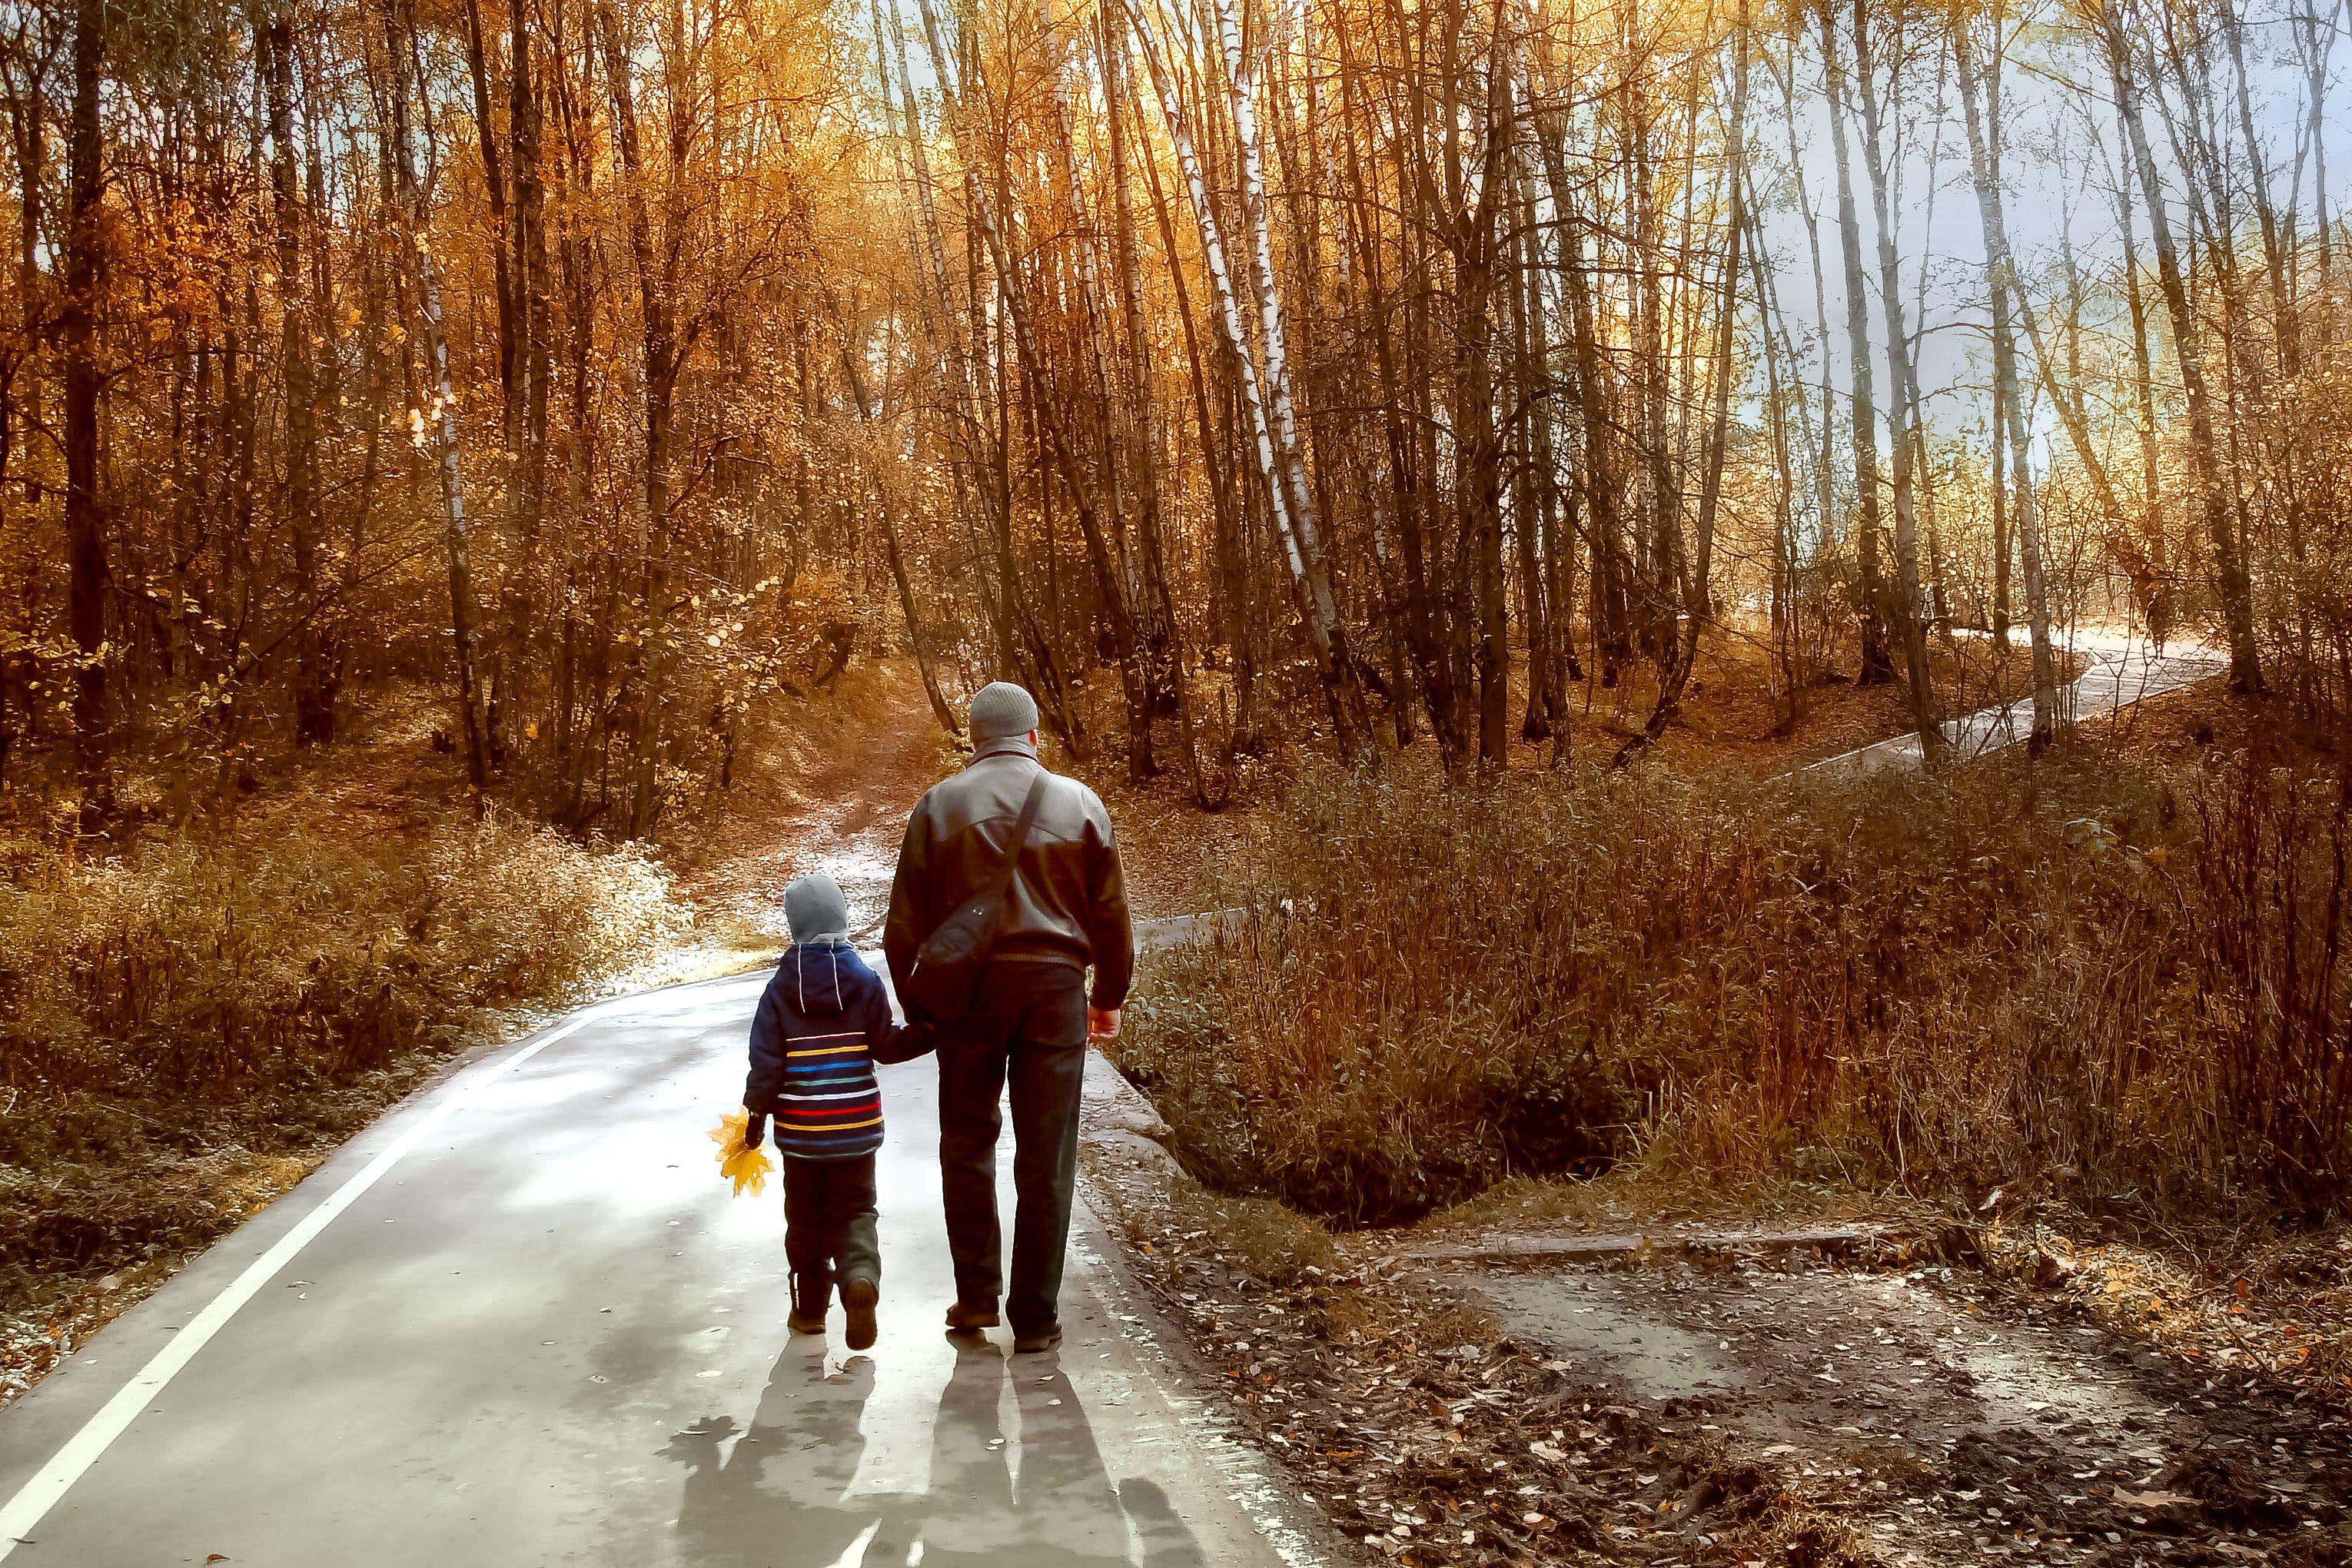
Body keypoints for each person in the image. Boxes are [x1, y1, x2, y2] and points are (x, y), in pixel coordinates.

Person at [885, 681, 1133, 1354]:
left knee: (967, 1147)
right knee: (1046, 1156)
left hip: (968, 996)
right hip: (1054, 990)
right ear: (1033, 737)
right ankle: (1036, 1318)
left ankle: (975, 1298)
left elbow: (903, 926)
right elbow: (1110, 911)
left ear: (974, 740)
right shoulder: (1079, 803)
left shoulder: (938, 805)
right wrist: (1108, 995)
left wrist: (924, 1011)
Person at [743, 873, 928, 1351]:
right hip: (855, 1129)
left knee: (804, 1219)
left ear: (793, 926)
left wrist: (756, 1118)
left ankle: (810, 1312)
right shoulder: (865, 982)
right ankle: (859, 1277)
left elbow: (766, 1066)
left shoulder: (778, 991)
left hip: (801, 1134)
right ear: (843, 919)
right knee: (856, 1210)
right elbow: (886, 1047)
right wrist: (931, 1032)